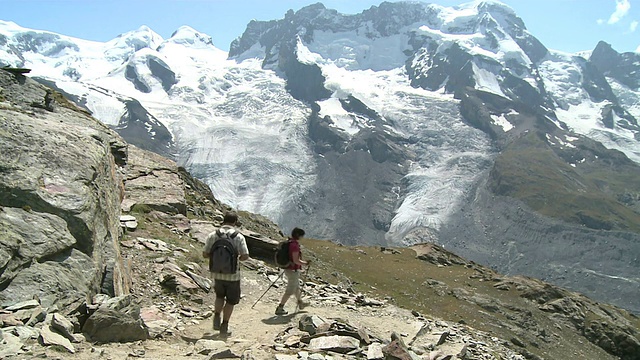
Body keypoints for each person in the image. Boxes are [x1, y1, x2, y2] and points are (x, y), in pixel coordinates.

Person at [202, 211, 249, 335]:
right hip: (233, 275)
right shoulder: (238, 237)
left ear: (223, 220)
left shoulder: (213, 235)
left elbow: (205, 254)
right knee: (231, 300)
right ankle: (224, 325)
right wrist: (236, 259)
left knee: (219, 296)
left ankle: (217, 315)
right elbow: (245, 255)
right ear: (235, 222)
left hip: (216, 273)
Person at [275, 227, 310, 315]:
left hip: (289, 268)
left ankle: (300, 303)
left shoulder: (290, 243)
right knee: (290, 290)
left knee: (296, 287)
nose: (303, 237)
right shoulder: (295, 245)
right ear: (298, 235)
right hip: (292, 270)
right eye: (302, 235)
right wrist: (305, 263)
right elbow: (296, 260)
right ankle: (280, 307)